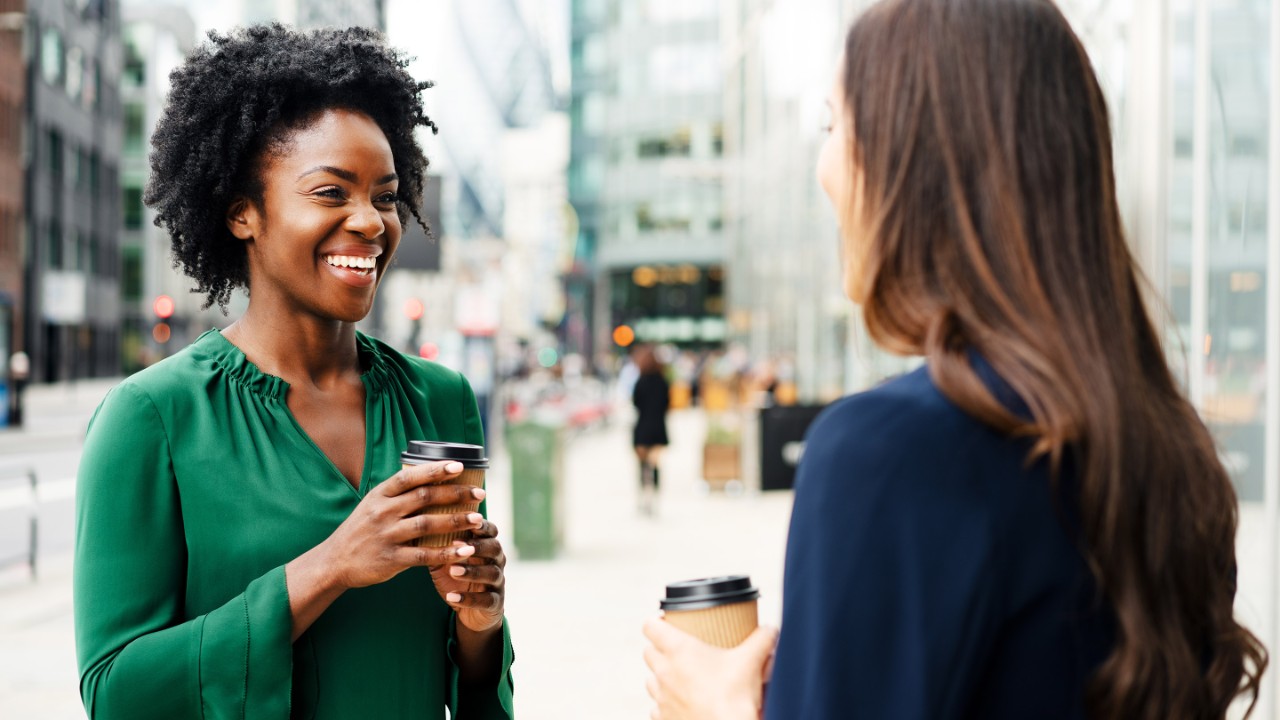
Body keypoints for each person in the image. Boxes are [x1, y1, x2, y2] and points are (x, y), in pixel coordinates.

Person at [642, 0, 1268, 718]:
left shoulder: (886, 453)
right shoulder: (1166, 450)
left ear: (910, 160)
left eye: (832, 125)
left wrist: (715, 710)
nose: (822, 168)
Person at [73, 25, 513, 720]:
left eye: (386, 195)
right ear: (243, 213)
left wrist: (480, 623)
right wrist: (331, 566)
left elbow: (474, 685)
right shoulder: (151, 418)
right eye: (331, 193)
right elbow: (116, 692)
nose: (370, 222)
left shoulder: (441, 400)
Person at [632, 344, 670, 516]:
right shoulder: (662, 381)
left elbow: (635, 403)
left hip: (642, 428)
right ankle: (653, 499)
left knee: (641, 466)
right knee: (655, 465)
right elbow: (667, 404)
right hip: (658, 427)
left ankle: (643, 498)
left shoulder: (641, 381)